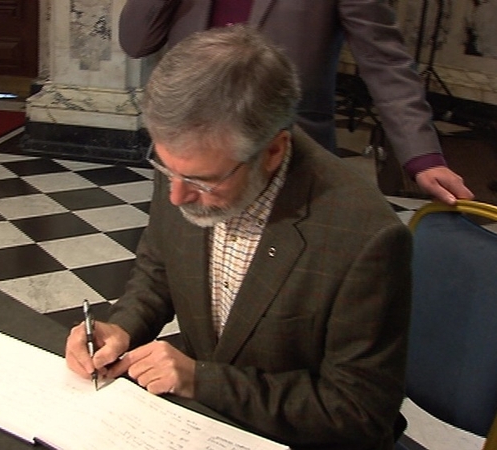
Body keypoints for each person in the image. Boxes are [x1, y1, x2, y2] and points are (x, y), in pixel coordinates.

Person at [65, 26, 412, 450]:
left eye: (202, 182)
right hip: (203, 425)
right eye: (167, 170)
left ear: (273, 151)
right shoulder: (188, 162)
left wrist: (202, 380)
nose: (177, 196)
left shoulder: (364, 237)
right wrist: (122, 328)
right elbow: (158, 271)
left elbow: (358, 413)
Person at [118, 0, 474, 205]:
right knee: (185, 280)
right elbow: (135, 42)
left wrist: (422, 157)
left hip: (287, 155)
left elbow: (385, 61)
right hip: (193, 157)